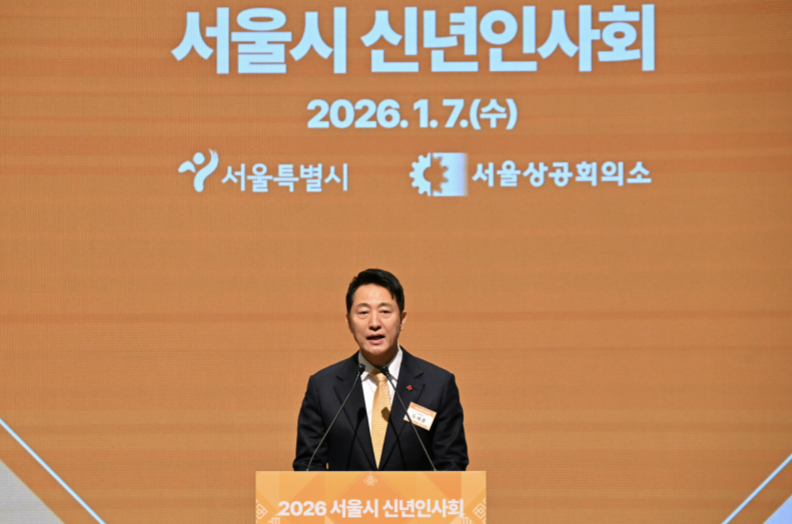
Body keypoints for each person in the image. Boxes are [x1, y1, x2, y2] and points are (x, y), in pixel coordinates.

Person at [292, 269, 469, 471]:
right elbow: (308, 465)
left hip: (415, 494)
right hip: (346, 494)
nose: (374, 323)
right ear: (349, 322)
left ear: (402, 319)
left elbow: (452, 465)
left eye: (385, 312)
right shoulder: (323, 387)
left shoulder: (438, 385)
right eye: (363, 313)